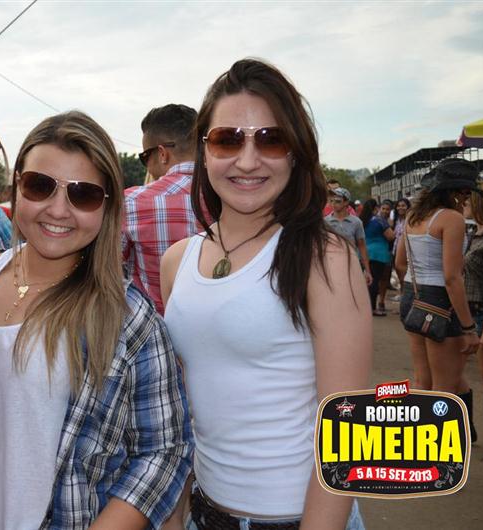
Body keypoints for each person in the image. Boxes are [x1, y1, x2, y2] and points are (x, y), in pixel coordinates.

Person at [0, 111, 193, 529]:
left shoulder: (127, 316)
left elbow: (165, 449)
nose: (58, 210)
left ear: (106, 206)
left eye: (83, 194)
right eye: (40, 186)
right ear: (17, 186)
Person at [160, 58, 370, 529]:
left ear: (295, 153)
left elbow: (350, 431)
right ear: (204, 151)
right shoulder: (177, 261)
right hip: (203, 513)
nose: (248, 160)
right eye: (228, 139)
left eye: (271, 140)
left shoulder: (322, 257)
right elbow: (187, 412)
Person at [394, 158, 481, 442]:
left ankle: (455, 433)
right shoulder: (451, 219)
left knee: (424, 380)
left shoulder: (413, 217)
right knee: (445, 386)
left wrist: (415, 290)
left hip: (413, 295)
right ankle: (436, 449)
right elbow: (452, 277)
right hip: (441, 301)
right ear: (457, 191)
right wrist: (468, 328)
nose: (467, 198)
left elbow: (400, 262)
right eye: (466, 192)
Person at [122, 104, 202, 314]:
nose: (146, 165)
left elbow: (110, 274)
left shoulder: (131, 203)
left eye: (144, 157)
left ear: (162, 154)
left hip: (153, 327)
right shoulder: (231, 198)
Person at [463, 185, 483, 429]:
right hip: (472, 310)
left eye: (468, 203)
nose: (463, 205)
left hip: (482, 312)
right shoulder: (473, 234)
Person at [324, 186, 372, 285]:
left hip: (351, 263)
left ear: (346, 202)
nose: (333, 204)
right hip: (331, 264)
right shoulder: (325, 222)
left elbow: (362, 246)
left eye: (338, 201)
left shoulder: (356, 222)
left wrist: (367, 270)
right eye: (331, 201)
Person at [360, 198, 394, 316]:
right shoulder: (379, 220)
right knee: (375, 281)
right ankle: (373, 308)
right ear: (376, 208)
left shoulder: (361, 220)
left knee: (365, 280)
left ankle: (364, 306)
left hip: (363, 253)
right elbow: (390, 236)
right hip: (378, 254)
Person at [376, 199, 395, 312]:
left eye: (387, 209)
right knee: (376, 278)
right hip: (377, 253)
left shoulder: (392, 222)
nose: (385, 211)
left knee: (384, 278)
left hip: (388, 251)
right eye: (383, 209)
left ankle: (381, 301)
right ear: (379, 209)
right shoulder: (375, 220)